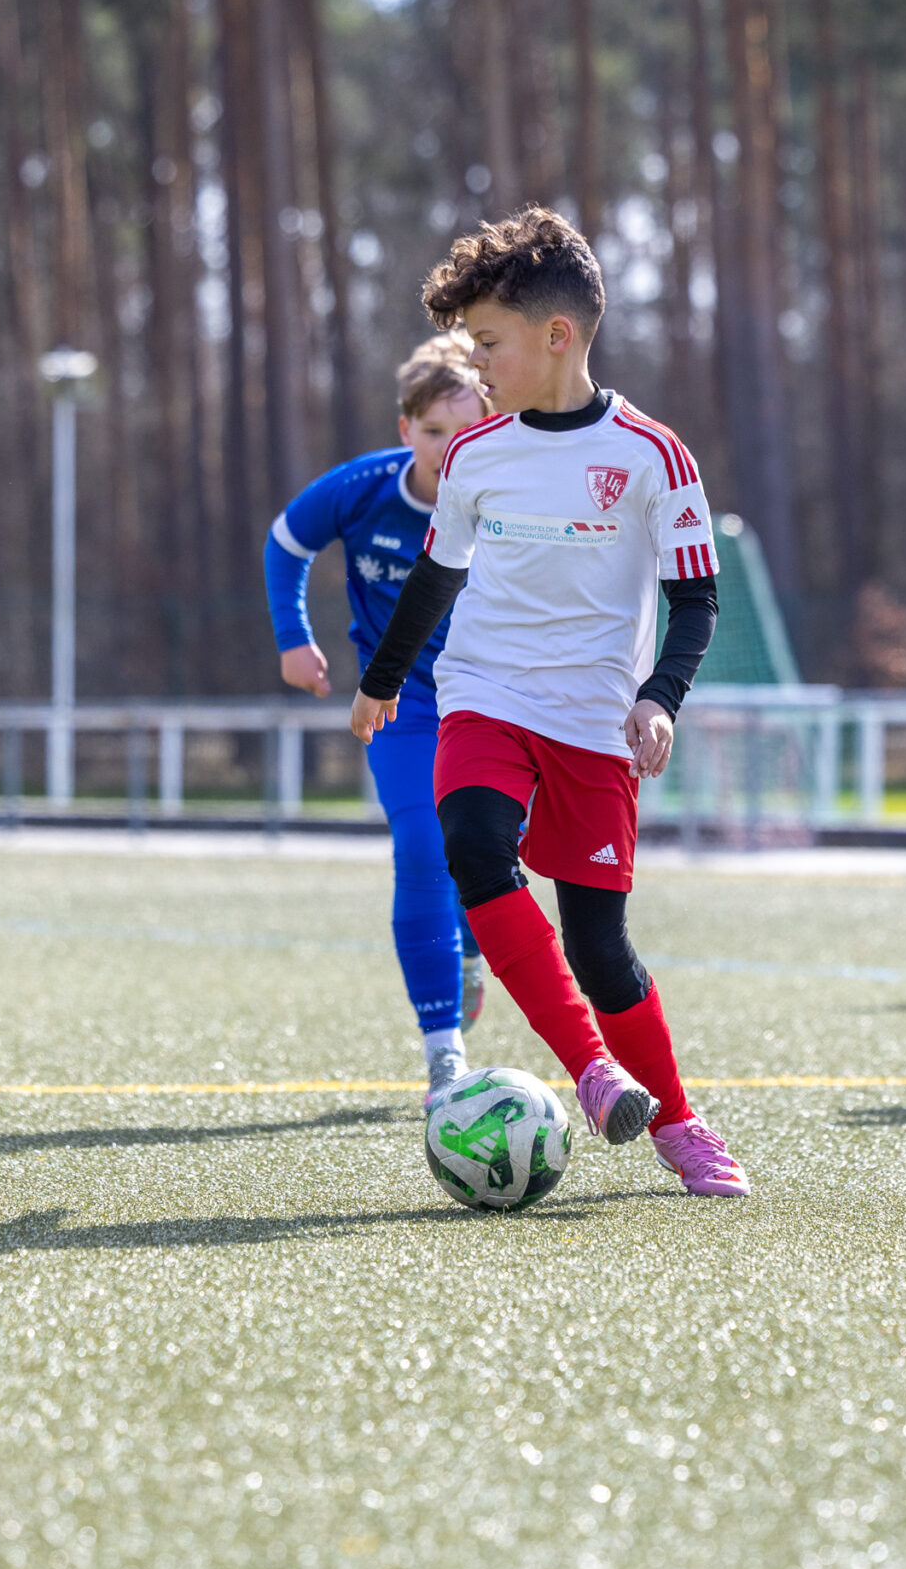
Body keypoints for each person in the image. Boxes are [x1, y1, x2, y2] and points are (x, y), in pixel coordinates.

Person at [349, 206, 749, 1197]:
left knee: (601, 951)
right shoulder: (475, 454)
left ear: (558, 335)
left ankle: (678, 1122)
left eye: (489, 342)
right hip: (484, 692)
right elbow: (437, 577)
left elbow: (695, 599)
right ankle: (591, 1072)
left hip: (594, 719)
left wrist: (660, 697)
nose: (475, 363)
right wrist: (383, 681)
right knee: (473, 844)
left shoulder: (655, 455)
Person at [265, 334, 490, 1105]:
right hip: (401, 702)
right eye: (433, 430)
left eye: (466, 431)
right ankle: (444, 1052)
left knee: (487, 853)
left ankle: (469, 951)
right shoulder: (362, 489)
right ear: (405, 429)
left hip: (496, 698)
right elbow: (285, 543)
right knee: (423, 845)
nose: (449, 446)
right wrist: (293, 638)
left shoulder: (511, 497)